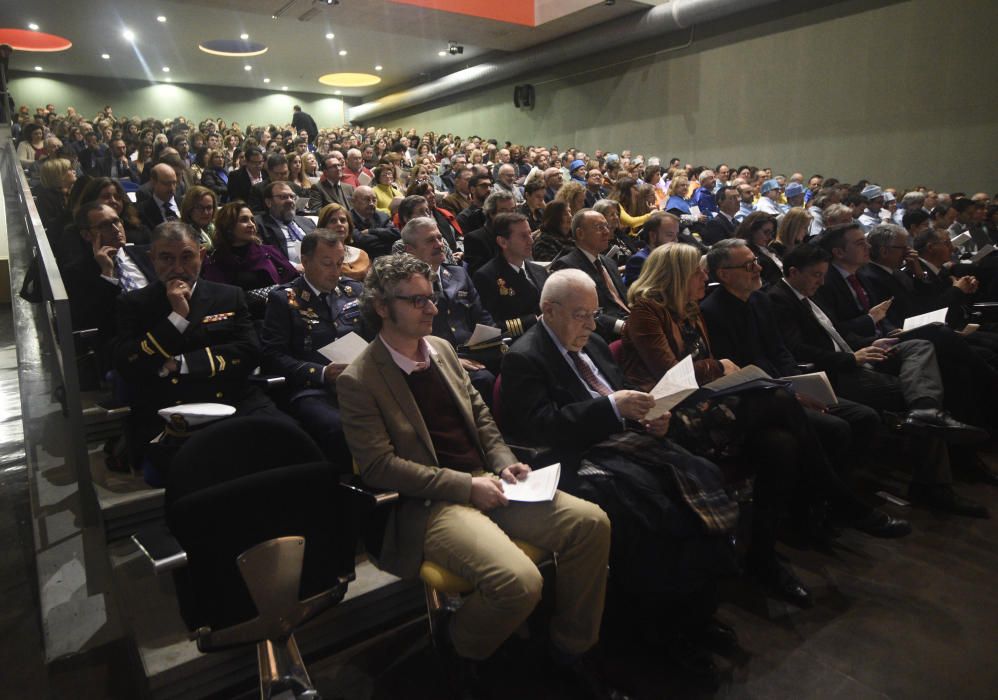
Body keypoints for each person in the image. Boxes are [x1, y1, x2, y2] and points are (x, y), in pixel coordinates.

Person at [336, 254, 616, 698]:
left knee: (591, 524)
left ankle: (569, 646)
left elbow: (482, 418)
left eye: (431, 298)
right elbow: (379, 467)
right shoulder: (360, 378)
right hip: (431, 504)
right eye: (417, 301)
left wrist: (503, 460)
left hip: (487, 479)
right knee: (519, 582)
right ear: (382, 307)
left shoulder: (443, 351)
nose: (432, 309)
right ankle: (457, 647)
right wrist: (467, 485)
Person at [500, 268, 740, 681]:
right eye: (580, 315)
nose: (592, 325)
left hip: (621, 441)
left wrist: (652, 415)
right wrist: (613, 409)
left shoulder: (592, 341)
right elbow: (540, 427)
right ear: (548, 310)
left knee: (703, 475)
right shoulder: (525, 356)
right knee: (654, 512)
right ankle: (659, 628)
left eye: (594, 314)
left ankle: (694, 612)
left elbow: (623, 389)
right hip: (575, 457)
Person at [111, 221, 283, 482]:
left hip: (234, 399)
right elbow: (130, 364)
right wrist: (176, 319)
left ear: (201, 255)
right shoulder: (134, 304)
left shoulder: (229, 296)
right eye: (166, 258)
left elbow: (249, 352)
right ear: (152, 259)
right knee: (210, 468)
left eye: (187, 257)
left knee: (290, 442)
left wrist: (179, 363)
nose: (177, 268)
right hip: (171, 410)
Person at [261, 229, 365, 467]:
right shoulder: (285, 299)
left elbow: (373, 337)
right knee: (340, 427)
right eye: (327, 263)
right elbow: (272, 356)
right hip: (313, 389)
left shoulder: (353, 291)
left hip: (360, 381)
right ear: (305, 262)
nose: (336, 271)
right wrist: (320, 373)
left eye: (340, 263)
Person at [401, 217, 499, 401]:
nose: (439, 244)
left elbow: (481, 316)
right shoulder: (405, 286)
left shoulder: (457, 273)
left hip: (474, 350)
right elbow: (408, 337)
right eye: (431, 240)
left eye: (439, 238)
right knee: (483, 380)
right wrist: (449, 360)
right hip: (436, 360)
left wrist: (494, 341)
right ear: (410, 250)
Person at [202, 201, 298, 317]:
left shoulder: (268, 251)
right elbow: (219, 299)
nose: (252, 224)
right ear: (228, 226)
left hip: (277, 313)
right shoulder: (216, 260)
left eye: (252, 219)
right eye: (244, 220)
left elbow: (294, 281)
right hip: (241, 320)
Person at [551, 209, 629, 340]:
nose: (607, 232)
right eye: (600, 228)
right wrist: (622, 326)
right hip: (605, 334)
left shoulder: (609, 262)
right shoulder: (568, 266)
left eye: (606, 226)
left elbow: (622, 301)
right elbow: (583, 313)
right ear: (580, 233)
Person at [473, 212, 548, 341]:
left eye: (530, 233)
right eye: (523, 236)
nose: (531, 240)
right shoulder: (487, 276)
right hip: (518, 344)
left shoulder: (539, 270)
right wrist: (534, 320)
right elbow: (493, 326)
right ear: (503, 242)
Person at [253, 181, 316, 267]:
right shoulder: (259, 225)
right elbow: (263, 255)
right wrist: (293, 266)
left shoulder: (307, 222)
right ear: (268, 202)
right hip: (288, 274)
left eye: (292, 197)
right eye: (283, 197)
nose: (290, 201)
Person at [623, 211, 679, 287]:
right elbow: (640, 295)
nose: (675, 240)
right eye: (670, 235)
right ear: (653, 236)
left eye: (676, 235)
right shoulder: (640, 261)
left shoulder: (673, 257)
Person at [317, 202, 370, 281]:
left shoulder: (362, 255)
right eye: (333, 221)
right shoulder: (317, 257)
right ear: (323, 227)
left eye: (343, 220)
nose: (339, 224)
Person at [349, 185, 401, 259]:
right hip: (361, 261)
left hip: (387, 259)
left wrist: (372, 231)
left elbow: (396, 234)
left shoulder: (382, 216)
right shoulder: (347, 218)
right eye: (367, 199)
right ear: (353, 201)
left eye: (374, 200)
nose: (371, 203)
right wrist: (387, 240)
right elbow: (361, 241)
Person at [734, 211, 782, 286]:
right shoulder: (746, 254)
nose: (770, 237)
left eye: (771, 233)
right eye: (766, 232)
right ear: (752, 230)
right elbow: (760, 285)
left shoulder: (770, 249)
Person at [179, 185, 217, 252]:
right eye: (199, 207)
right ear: (189, 208)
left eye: (209, 207)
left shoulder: (212, 229)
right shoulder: (183, 235)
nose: (205, 212)